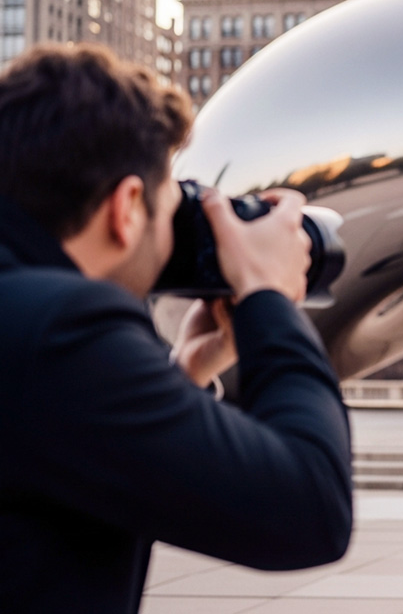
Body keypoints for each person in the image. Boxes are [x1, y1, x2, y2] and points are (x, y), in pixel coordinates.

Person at [0, 44, 352, 612]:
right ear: (127, 207)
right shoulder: (57, 329)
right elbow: (310, 509)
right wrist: (267, 295)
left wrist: (181, 377)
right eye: (173, 209)